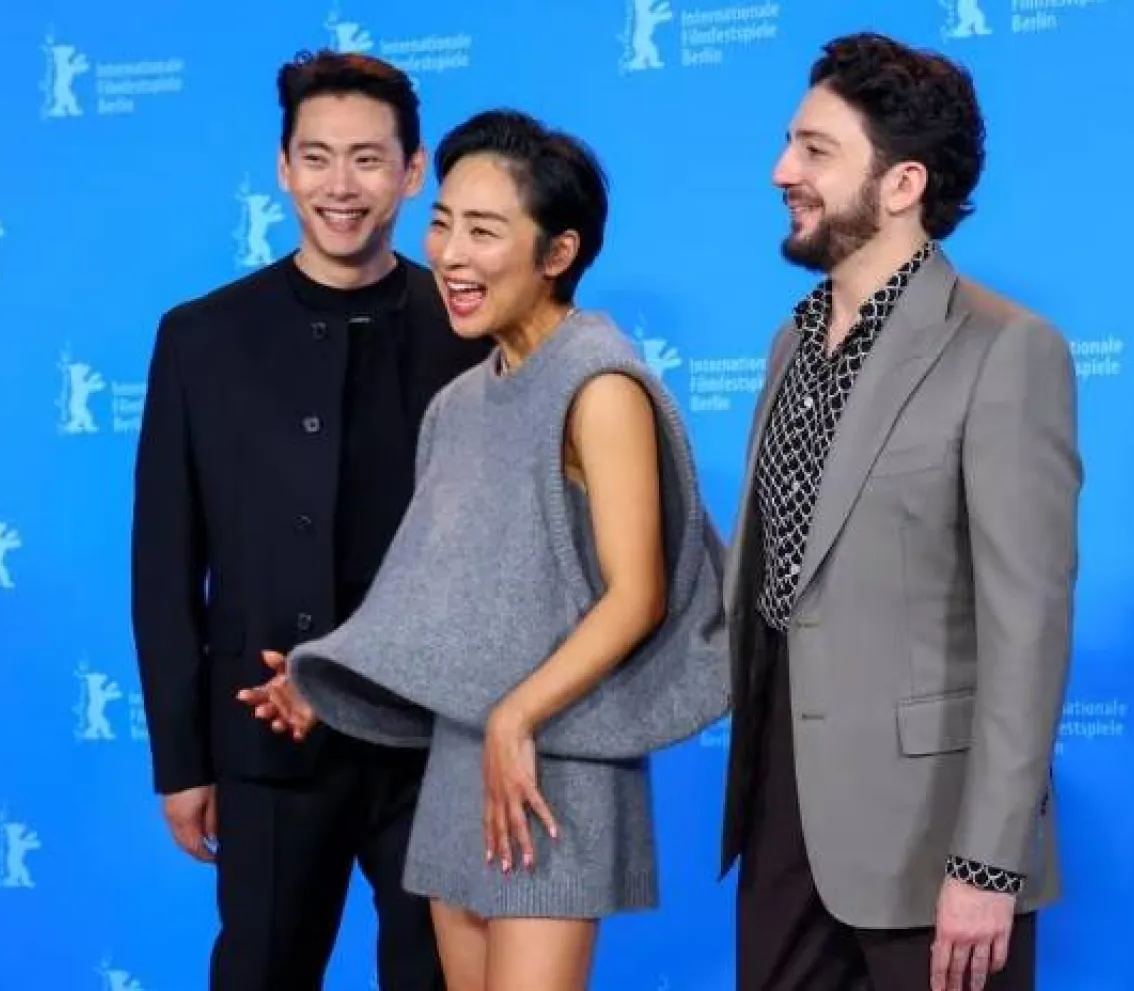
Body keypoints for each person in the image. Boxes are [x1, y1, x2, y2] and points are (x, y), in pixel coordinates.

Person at [239, 109, 730, 990]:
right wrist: (326, 684)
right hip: (461, 757)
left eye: (485, 231)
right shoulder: (458, 405)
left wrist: (518, 714)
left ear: (558, 254)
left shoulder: (601, 381)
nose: (453, 257)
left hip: (556, 761)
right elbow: (431, 605)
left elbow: (638, 594)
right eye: (444, 223)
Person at [718, 32, 1081, 991]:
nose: (780, 171)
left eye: (814, 150)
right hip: (782, 813)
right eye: (790, 144)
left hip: (934, 840)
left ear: (902, 182)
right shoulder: (786, 345)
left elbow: (1027, 627)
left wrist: (988, 862)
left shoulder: (1005, 349)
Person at [130, 49, 490, 991]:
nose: (342, 186)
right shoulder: (200, 338)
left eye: (369, 159)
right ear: (284, 167)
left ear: (414, 173)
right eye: (318, 157)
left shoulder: (473, 334)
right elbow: (165, 567)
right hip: (266, 738)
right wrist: (181, 759)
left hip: (435, 745)